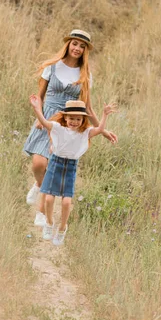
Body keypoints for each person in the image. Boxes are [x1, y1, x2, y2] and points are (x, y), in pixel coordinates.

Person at [23, 29, 117, 226]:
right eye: (75, 44)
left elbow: (88, 108)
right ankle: (39, 185)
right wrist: (39, 115)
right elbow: (40, 95)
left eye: (82, 46)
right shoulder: (52, 67)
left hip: (67, 125)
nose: (77, 48)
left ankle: (41, 212)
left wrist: (103, 130)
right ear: (68, 44)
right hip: (47, 117)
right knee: (38, 164)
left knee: (54, 167)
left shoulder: (85, 75)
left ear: (85, 51)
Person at [29, 96, 117, 245]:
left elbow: (100, 129)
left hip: (70, 167)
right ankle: (49, 223)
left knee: (66, 202)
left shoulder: (85, 133)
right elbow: (44, 122)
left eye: (78, 119)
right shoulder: (58, 128)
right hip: (55, 164)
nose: (75, 122)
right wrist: (37, 109)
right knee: (49, 198)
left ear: (83, 120)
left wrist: (104, 115)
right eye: (71, 118)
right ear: (65, 118)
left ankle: (62, 228)